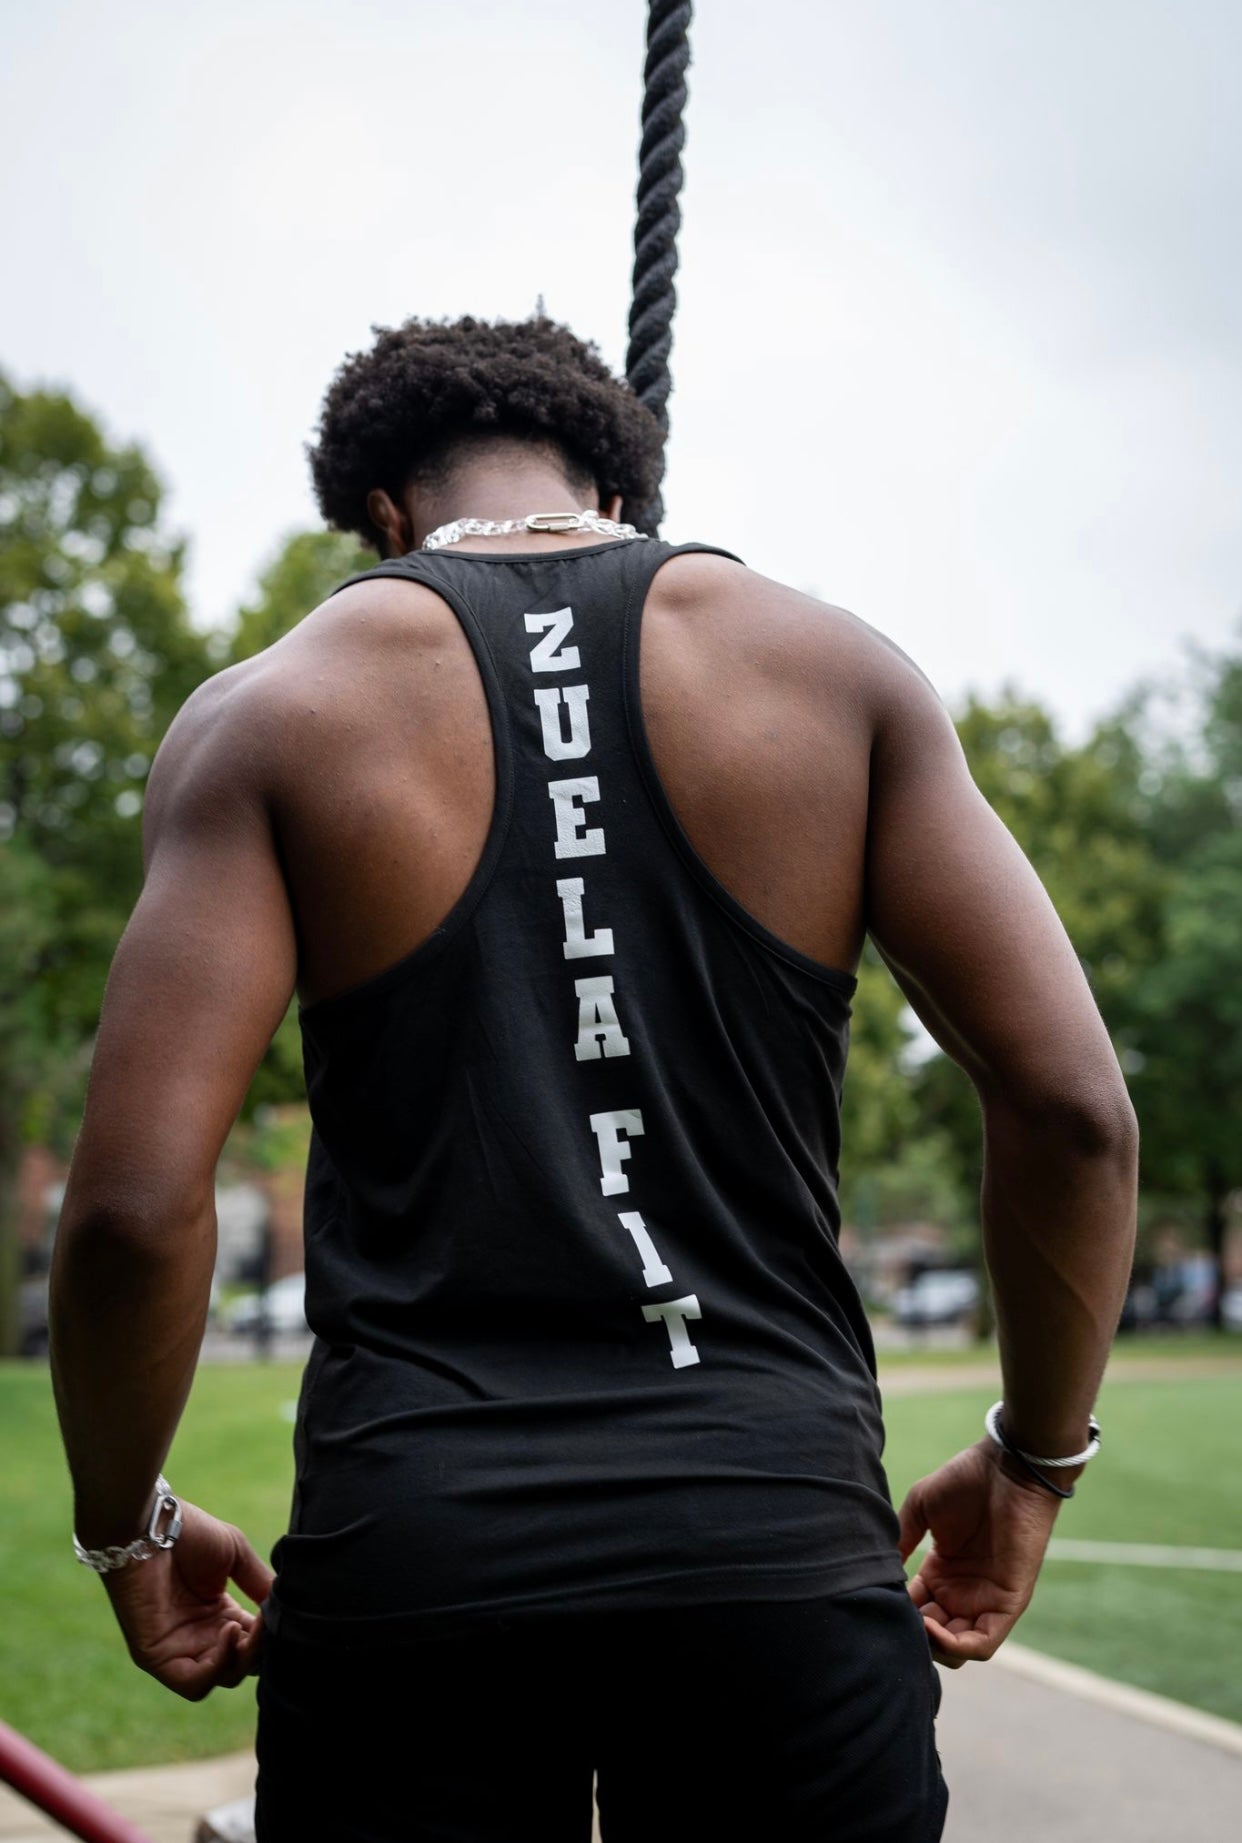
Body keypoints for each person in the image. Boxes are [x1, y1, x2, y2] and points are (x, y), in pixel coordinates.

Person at [49, 315, 1138, 1842]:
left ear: (379, 516)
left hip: (415, 1565)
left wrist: (126, 1525)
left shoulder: (270, 715)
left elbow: (129, 1215)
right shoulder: (832, 671)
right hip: (769, 1544)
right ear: (619, 491)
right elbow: (1075, 1113)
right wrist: (1031, 1460)